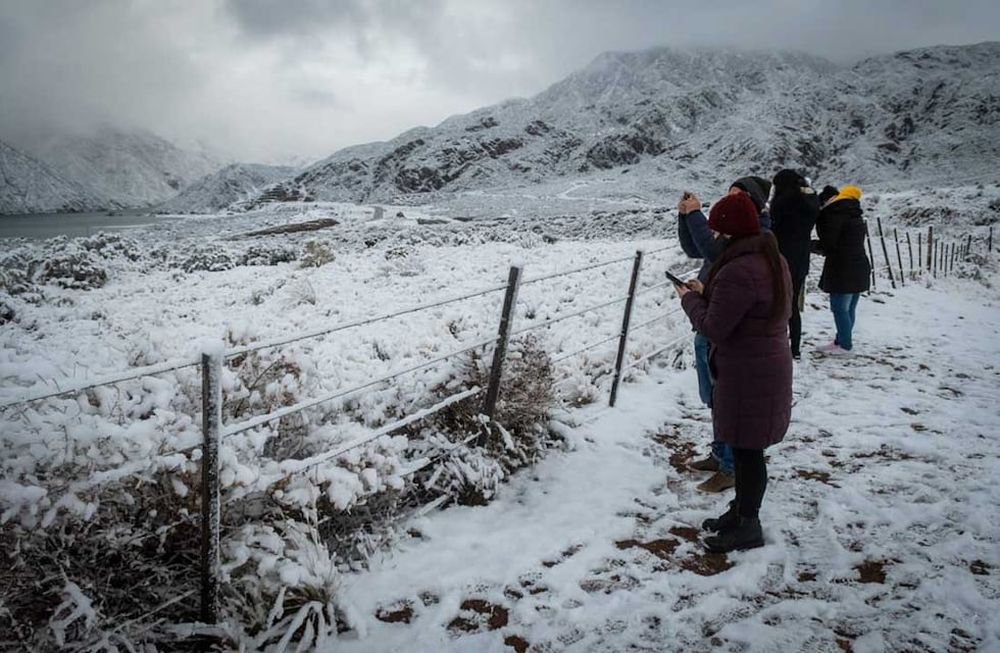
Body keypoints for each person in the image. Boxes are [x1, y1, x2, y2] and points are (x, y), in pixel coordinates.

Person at [674, 192, 793, 553]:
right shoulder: (770, 258)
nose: (715, 237)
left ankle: (748, 526)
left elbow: (714, 327)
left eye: (719, 230)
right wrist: (709, 291)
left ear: (730, 232)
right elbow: (749, 309)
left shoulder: (739, 269)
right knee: (747, 450)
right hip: (763, 365)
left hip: (746, 371)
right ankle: (741, 512)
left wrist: (689, 299)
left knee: (747, 453)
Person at [677, 191, 734, 493]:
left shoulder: (743, 252)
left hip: (722, 338)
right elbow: (695, 247)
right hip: (709, 330)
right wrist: (685, 216)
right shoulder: (733, 248)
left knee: (727, 401)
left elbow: (721, 315)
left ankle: (731, 466)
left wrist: (693, 300)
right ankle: (720, 455)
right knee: (715, 399)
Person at [812, 185, 871, 355]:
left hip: (842, 268)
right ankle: (842, 340)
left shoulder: (835, 214)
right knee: (849, 308)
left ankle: (845, 345)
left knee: (839, 308)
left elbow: (829, 244)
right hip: (859, 265)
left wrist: (809, 245)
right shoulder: (854, 213)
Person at [769, 170, 819, 359]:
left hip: (781, 258)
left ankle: (776, 344)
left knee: (777, 303)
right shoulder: (811, 201)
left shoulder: (784, 202)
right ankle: (795, 349)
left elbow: (774, 227)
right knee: (792, 305)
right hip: (801, 259)